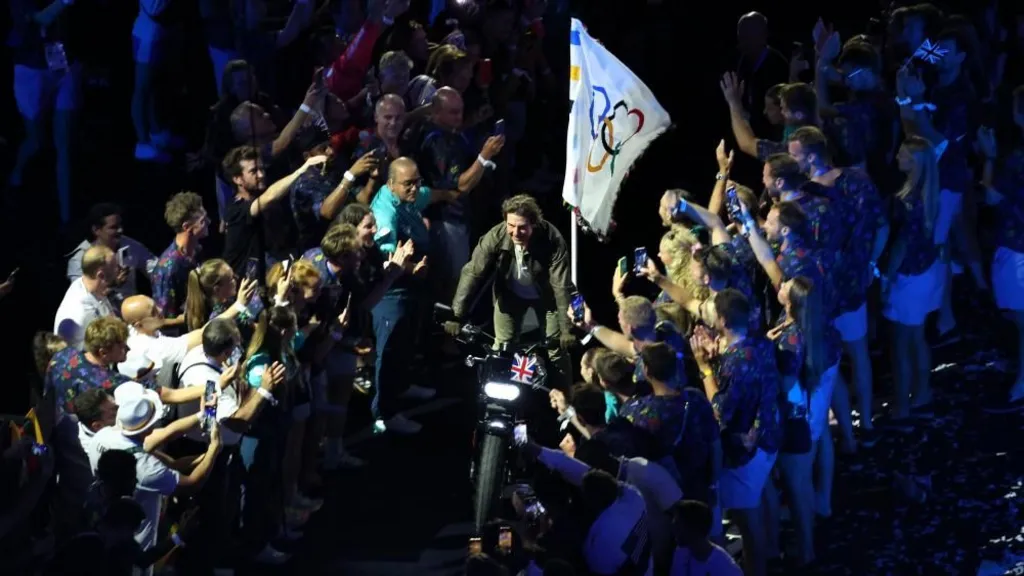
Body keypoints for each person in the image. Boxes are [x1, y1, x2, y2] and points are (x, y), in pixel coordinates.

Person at [448, 194, 574, 390]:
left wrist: (566, 329)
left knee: (556, 351)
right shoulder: (496, 236)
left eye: (522, 227)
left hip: (547, 297)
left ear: (534, 223)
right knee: (502, 348)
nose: (516, 232)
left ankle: (567, 401)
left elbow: (561, 285)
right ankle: (505, 397)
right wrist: (455, 315)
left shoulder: (552, 239)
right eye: (511, 225)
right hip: (509, 295)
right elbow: (472, 272)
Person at [54, 245, 118, 349]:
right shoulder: (79, 313)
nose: (118, 270)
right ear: (101, 275)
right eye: (115, 267)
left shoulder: (89, 285)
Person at [667, 500, 742, 575]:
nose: (673, 528)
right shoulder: (680, 553)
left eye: (678, 524)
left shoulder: (725, 567)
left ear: (693, 528)